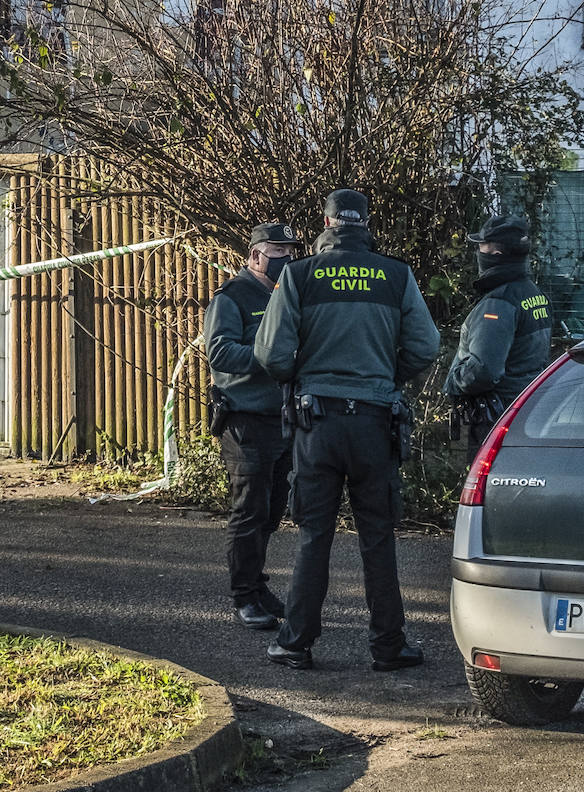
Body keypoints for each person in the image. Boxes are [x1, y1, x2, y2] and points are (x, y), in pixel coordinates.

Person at [253, 189, 440, 671]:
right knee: (377, 535)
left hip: (318, 424)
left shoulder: (298, 275)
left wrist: (305, 376)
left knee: (314, 534)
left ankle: (295, 643)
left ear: (327, 222)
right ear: (365, 223)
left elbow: (271, 354)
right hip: (375, 424)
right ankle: (388, 645)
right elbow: (425, 345)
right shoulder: (396, 275)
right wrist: (384, 380)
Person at [204, 222, 305, 631]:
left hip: (282, 419)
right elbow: (220, 351)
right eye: (277, 251)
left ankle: (257, 584)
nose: (285, 259)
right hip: (245, 420)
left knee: (272, 509)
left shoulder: (288, 295)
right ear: (255, 256)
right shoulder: (234, 297)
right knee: (248, 511)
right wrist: (270, 356)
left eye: (290, 252)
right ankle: (243, 595)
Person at [444, 215, 552, 460]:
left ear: (496, 255)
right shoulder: (533, 293)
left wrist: (454, 381)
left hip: (496, 417)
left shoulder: (498, 303)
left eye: (482, 246)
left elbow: (483, 371)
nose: (478, 251)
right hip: (525, 410)